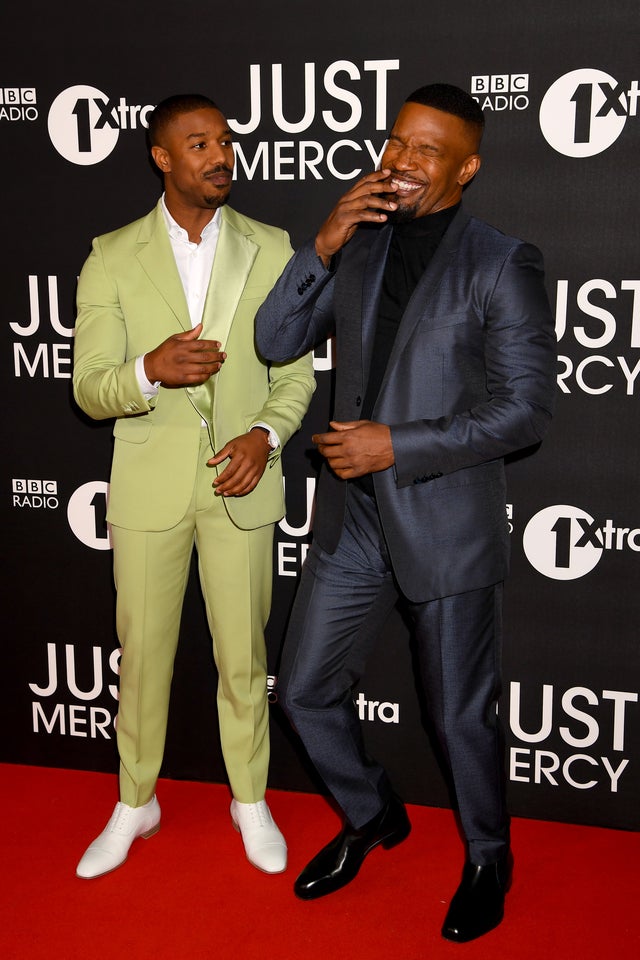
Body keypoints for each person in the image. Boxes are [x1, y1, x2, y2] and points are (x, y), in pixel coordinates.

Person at [255, 83, 556, 940]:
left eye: (427, 149)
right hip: (352, 523)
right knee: (306, 690)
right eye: (397, 142)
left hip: (444, 525)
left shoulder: (501, 261)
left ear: (467, 166)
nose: (403, 160)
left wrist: (399, 444)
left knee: (459, 712)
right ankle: (371, 814)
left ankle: (489, 856)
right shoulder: (361, 241)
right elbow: (277, 341)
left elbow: (527, 410)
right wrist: (323, 240)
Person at [73, 93, 315, 880]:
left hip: (242, 488)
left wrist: (265, 436)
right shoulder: (111, 254)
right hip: (149, 488)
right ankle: (135, 801)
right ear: (162, 156)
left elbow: (297, 375)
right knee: (141, 657)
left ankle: (250, 799)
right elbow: (89, 387)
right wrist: (150, 370)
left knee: (243, 657)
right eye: (200, 142)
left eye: (227, 141)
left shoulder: (272, 247)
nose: (220, 155)